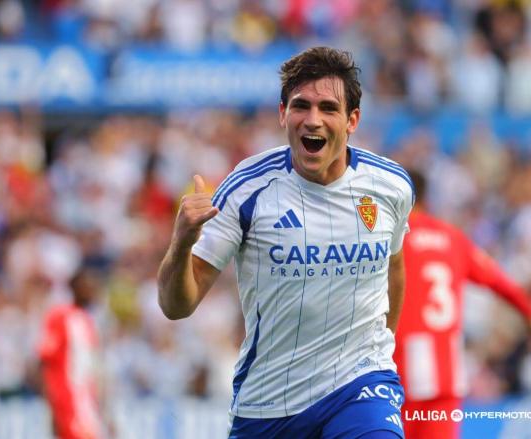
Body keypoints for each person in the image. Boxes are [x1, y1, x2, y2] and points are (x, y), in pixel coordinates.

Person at [158, 47, 414, 438]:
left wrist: (382, 351)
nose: (313, 120)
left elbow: (393, 268)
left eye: (329, 108)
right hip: (270, 404)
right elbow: (176, 306)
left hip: (361, 386)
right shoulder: (247, 190)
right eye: (301, 106)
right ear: (283, 113)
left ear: (352, 121)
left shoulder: (390, 186)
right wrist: (181, 243)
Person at [394, 170, 531, 439]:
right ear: (427, 198)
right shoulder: (453, 239)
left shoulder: (390, 240)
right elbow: (501, 282)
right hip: (446, 374)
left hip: (400, 373)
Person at [38, 266, 102, 439]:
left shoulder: (88, 321)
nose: (91, 290)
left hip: (86, 403)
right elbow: (45, 362)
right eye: (86, 285)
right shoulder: (60, 316)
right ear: (75, 287)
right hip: (67, 401)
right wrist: (52, 407)